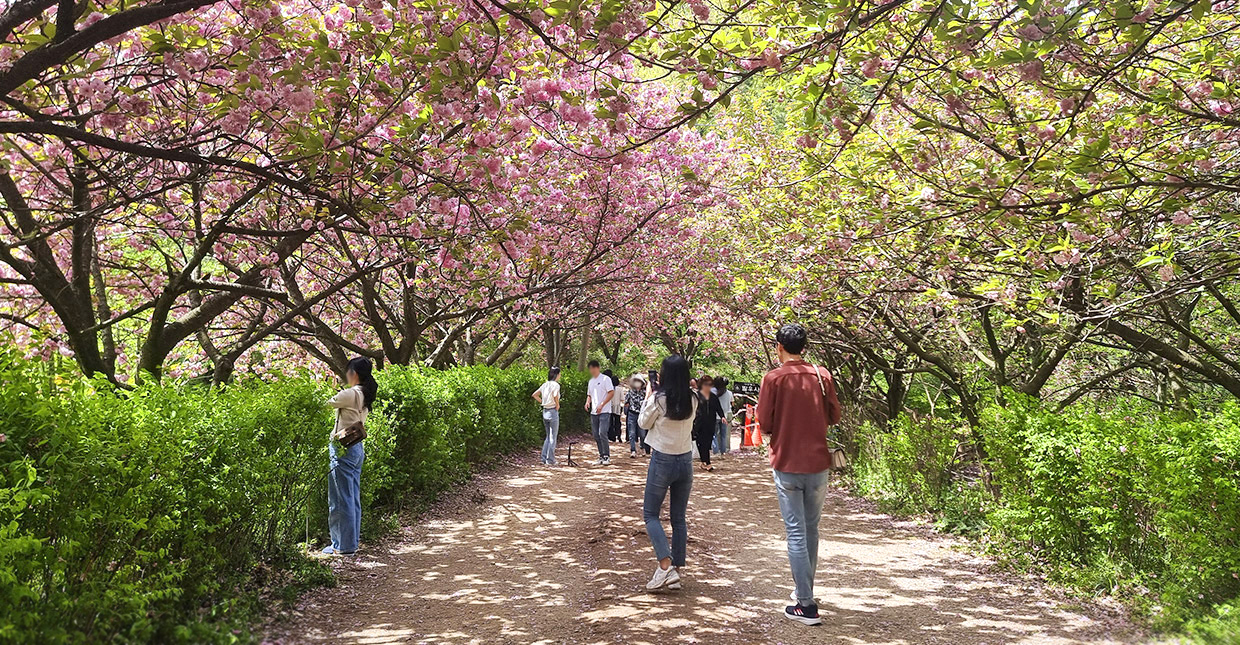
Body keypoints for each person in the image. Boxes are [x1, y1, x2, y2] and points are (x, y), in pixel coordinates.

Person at [756, 324, 842, 626]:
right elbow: (835, 415)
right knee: (811, 529)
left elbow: (764, 421)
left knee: (795, 531)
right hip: (818, 463)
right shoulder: (822, 374)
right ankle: (804, 591)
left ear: (780, 346)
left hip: (787, 462)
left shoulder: (774, 378)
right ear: (803, 346)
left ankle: (805, 604)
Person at [637, 354, 698, 591]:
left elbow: (642, 423)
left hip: (662, 459)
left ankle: (665, 566)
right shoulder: (693, 399)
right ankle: (676, 571)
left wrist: (649, 394)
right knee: (678, 517)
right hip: (685, 460)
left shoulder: (659, 399)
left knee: (651, 514)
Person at [324, 357, 377, 556]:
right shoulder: (365, 394)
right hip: (356, 448)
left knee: (340, 498)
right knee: (351, 497)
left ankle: (343, 546)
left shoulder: (350, 394)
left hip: (343, 448)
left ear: (353, 373)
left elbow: (323, 403)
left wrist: (332, 386)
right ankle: (349, 543)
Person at [585, 360, 616, 465]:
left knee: (602, 432)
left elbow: (611, 392)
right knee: (595, 434)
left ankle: (607, 456)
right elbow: (589, 394)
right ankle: (601, 455)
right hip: (594, 411)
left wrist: (602, 404)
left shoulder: (605, 379)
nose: (591, 371)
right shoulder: (591, 381)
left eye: (593, 368)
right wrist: (587, 402)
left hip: (605, 411)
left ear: (597, 368)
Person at [692, 375, 724, 472]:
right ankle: (707, 462)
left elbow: (718, 408)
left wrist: (722, 416)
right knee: (700, 442)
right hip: (698, 423)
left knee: (707, 442)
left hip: (710, 423)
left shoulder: (713, 397)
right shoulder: (696, 396)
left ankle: (704, 461)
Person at [532, 367, 562, 465]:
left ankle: (544, 458)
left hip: (545, 411)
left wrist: (543, 402)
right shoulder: (556, 385)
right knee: (553, 436)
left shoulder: (545, 384)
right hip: (552, 411)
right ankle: (550, 460)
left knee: (548, 436)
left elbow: (535, 395)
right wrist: (557, 404)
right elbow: (555, 395)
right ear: (557, 374)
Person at [625, 373, 649, 457]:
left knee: (642, 434)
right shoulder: (630, 392)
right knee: (632, 434)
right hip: (632, 414)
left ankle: (642, 448)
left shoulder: (645, 393)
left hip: (641, 414)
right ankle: (633, 450)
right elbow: (626, 402)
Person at [714, 377, 734, 455]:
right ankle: (724, 450)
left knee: (715, 434)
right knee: (724, 434)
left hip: (715, 416)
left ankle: (716, 451)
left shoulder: (714, 393)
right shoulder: (729, 393)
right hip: (725, 416)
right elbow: (732, 403)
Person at [608, 370, 627, 442]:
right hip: (617, 407)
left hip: (609, 407)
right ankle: (618, 436)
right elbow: (622, 398)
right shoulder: (619, 389)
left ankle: (611, 436)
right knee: (617, 422)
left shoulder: (609, 388)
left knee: (610, 422)